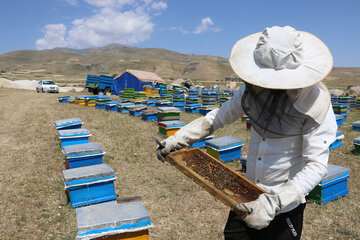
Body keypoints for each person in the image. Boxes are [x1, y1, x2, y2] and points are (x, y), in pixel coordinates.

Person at [156, 26, 337, 240]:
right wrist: (180, 138)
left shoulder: (317, 105)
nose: (268, 87)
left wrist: (275, 202)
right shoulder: (253, 89)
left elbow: (316, 165)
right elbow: (218, 116)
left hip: (284, 207)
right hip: (245, 194)